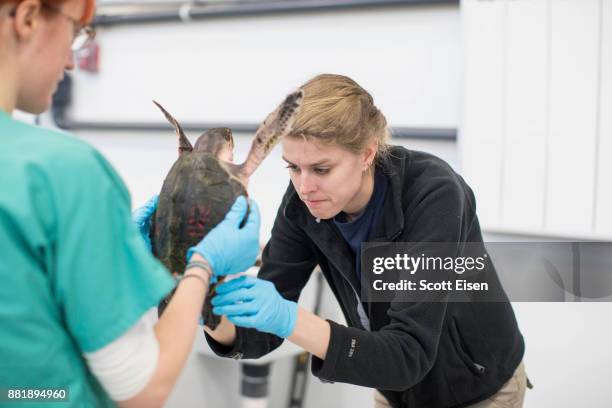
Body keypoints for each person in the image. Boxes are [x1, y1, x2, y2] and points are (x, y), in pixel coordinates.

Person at [205, 74, 528, 408]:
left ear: (367, 153)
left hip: (476, 385)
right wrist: (213, 314)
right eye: (293, 168)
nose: (304, 187)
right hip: (393, 383)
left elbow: (408, 353)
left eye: (321, 169)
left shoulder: (434, 194)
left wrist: (290, 319)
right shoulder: (302, 206)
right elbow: (261, 334)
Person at [0, 1, 260, 407]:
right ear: (28, 16)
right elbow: (142, 387)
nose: (71, 61)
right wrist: (202, 265)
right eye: (75, 33)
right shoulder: (62, 171)